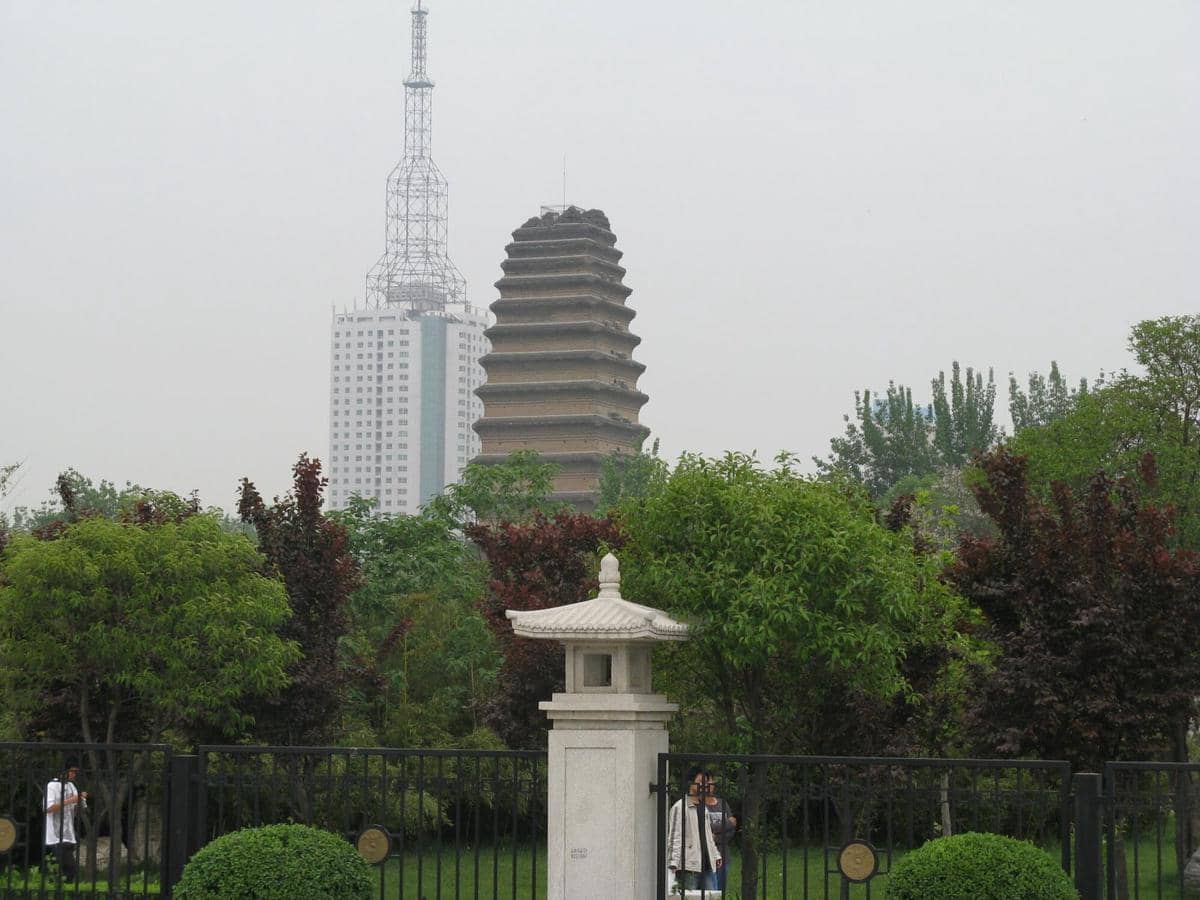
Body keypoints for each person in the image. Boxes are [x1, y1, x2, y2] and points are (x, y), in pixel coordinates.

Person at [666, 765, 722, 894]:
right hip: (689, 866)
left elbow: (708, 836)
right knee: (688, 896)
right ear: (691, 783)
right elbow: (675, 837)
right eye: (700, 782)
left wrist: (716, 855)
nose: (704, 785)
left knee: (711, 896)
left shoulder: (704, 808)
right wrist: (673, 863)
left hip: (708, 865)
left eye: (706, 782)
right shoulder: (680, 807)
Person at [45, 762, 87, 880]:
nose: (73, 774)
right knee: (70, 869)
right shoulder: (52, 786)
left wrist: (80, 801)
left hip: (69, 834)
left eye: (75, 772)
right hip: (56, 836)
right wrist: (71, 800)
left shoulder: (71, 786)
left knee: (65, 871)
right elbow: (48, 808)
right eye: (71, 771)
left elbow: (78, 811)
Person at [700, 771, 737, 892]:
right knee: (709, 892)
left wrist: (714, 836)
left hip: (723, 855)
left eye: (710, 782)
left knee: (720, 892)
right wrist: (728, 823)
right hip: (705, 857)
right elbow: (701, 827)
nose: (708, 785)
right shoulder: (698, 805)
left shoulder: (722, 803)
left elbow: (732, 830)